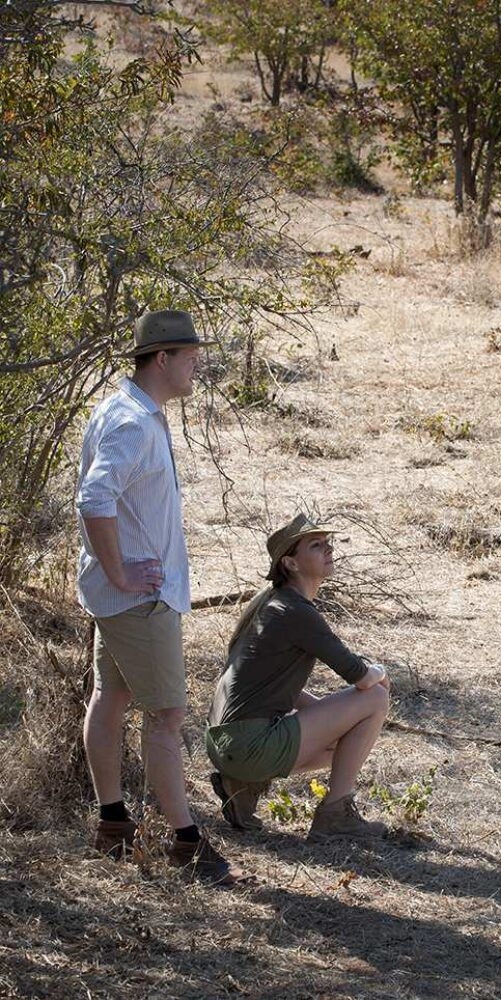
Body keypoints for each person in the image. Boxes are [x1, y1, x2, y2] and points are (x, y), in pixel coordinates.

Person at [77, 309, 236, 885]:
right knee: (166, 716)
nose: (198, 364)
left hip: (125, 598)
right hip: (138, 599)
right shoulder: (133, 423)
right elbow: (94, 499)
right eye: (190, 356)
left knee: (110, 698)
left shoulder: (134, 411)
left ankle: (113, 825)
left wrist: (112, 575)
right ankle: (186, 843)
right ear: (162, 358)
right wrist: (119, 572)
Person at [206, 513, 390, 840]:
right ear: (291, 563)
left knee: (345, 745)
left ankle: (243, 785)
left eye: (327, 543)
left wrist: (331, 721)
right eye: (317, 545)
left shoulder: (272, 606)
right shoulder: (296, 612)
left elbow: (266, 689)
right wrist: (381, 672)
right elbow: (361, 677)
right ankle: (335, 814)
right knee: (376, 696)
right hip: (250, 745)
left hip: (226, 745)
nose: (329, 549)